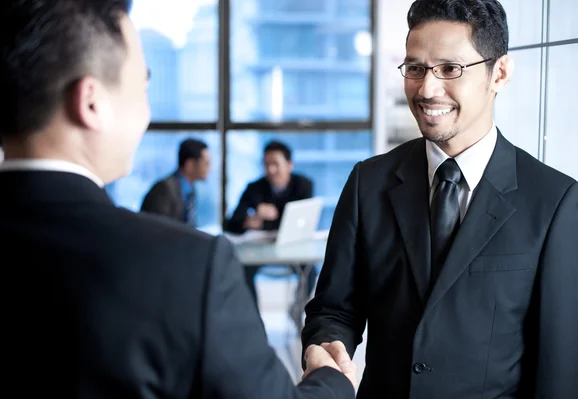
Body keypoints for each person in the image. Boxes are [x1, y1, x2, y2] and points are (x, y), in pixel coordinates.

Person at [0, 1, 357, 397]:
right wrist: (334, 382)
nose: (148, 112)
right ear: (91, 103)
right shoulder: (190, 268)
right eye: (143, 85)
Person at [301, 0, 578, 398]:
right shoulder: (366, 183)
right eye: (416, 68)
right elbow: (333, 308)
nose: (427, 89)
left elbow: (562, 372)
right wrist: (326, 345)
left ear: (500, 73)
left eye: (450, 69)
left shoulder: (554, 203)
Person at [226, 140, 317, 308]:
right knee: (243, 270)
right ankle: (253, 317)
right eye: (266, 164)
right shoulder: (254, 188)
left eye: (276, 164)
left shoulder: (303, 185)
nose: (271, 170)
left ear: (289, 165)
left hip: (292, 246)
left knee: (310, 272)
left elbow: (304, 218)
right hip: (260, 248)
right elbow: (231, 224)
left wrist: (274, 217)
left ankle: (297, 310)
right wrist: (248, 221)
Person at [141, 138, 210, 226]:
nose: (209, 169)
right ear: (189, 165)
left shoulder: (190, 190)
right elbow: (156, 229)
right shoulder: (164, 189)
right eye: (206, 164)